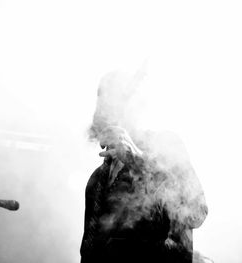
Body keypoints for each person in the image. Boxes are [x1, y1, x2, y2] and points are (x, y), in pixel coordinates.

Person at [80, 72, 208, 263]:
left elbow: (196, 213)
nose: (105, 110)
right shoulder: (96, 180)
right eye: (102, 101)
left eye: (115, 101)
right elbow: (89, 252)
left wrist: (138, 162)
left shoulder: (166, 146)